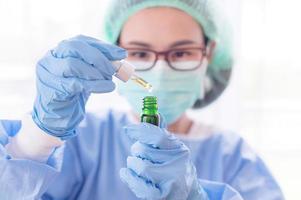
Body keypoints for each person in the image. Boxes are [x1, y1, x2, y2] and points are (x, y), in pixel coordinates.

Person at [0, 0, 284, 199]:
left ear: (208, 53)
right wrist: (38, 137)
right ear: (116, 54)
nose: (159, 70)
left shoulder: (234, 158)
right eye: (140, 53)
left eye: (181, 53)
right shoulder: (80, 142)